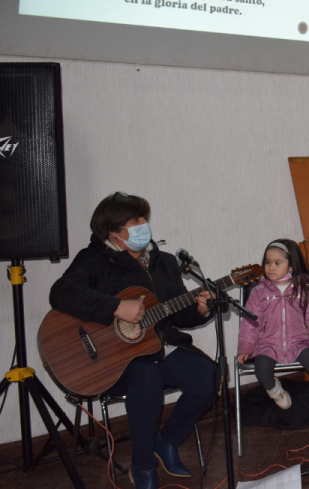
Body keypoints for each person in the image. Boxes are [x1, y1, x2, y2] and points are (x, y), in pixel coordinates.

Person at [48, 193, 216, 489]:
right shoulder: (94, 259)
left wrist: (200, 309)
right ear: (113, 230)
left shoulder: (163, 262)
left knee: (209, 378)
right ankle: (143, 467)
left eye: (143, 219)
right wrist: (116, 306)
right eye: (134, 221)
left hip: (160, 345)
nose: (143, 225)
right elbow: (61, 292)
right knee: (146, 375)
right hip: (112, 360)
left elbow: (177, 313)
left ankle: (167, 442)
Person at [237, 240, 309, 410]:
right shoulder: (259, 291)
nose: (271, 267)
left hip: (299, 341)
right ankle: (275, 391)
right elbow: (250, 323)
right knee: (261, 369)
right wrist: (245, 348)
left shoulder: (305, 289)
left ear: (291, 265)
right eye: (268, 262)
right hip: (268, 344)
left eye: (277, 263)